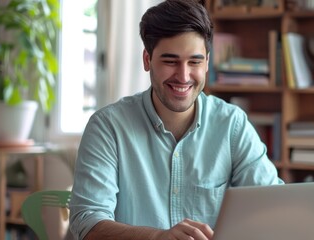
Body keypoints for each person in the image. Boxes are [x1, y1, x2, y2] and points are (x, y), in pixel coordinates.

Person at [69, 0, 283, 239]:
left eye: (195, 62)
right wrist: (157, 237)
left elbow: (273, 206)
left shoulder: (232, 124)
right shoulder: (107, 127)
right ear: (147, 60)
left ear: (207, 62)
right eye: (170, 61)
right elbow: (87, 223)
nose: (183, 76)